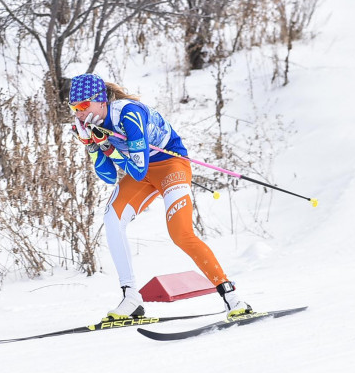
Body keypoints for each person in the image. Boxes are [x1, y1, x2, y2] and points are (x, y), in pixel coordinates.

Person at [68, 73, 253, 320]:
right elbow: (111, 177)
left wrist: (108, 146)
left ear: (100, 101)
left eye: (82, 106)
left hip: (170, 166)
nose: (78, 113)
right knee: (112, 219)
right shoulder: (92, 126)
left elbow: (138, 168)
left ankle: (232, 298)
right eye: (73, 108)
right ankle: (131, 298)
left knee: (181, 233)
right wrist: (92, 146)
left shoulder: (128, 113)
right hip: (141, 172)